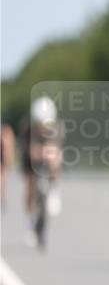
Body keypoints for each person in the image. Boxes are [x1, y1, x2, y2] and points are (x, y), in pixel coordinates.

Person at [19, 96, 63, 245]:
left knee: (55, 157)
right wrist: (38, 151)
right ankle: (29, 221)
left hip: (46, 156)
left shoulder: (55, 128)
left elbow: (55, 147)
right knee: (30, 185)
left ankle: (54, 190)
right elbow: (30, 150)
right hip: (31, 159)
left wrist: (50, 153)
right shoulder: (28, 128)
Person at [1, 121, 15, 211]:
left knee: (3, 177)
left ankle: (3, 197)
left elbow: (8, 148)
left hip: (3, 159)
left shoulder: (6, 132)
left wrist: (8, 160)